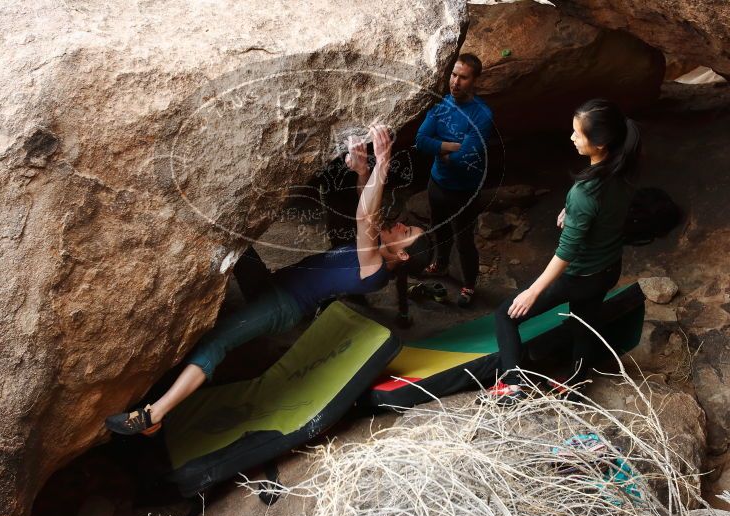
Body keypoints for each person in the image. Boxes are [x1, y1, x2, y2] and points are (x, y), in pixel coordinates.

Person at [106, 125, 432, 435]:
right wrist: (363, 171)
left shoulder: (374, 271)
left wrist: (384, 162)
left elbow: (366, 217)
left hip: (282, 306)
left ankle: (154, 416)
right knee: (233, 241)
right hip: (275, 284)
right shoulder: (374, 249)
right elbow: (366, 206)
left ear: (402, 256)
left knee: (217, 342)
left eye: (406, 233)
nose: (400, 224)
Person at [484, 99, 640, 406]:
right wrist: (572, 212)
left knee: (506, 315)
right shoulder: (622, 170)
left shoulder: (584, 192)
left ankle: (513, 386)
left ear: (600, 142)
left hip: (580, 274)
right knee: (584, 320)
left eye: (577, 134)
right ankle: (579, 381)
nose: (571, 138)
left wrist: (532, 292)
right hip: (608, 268)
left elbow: (566, 252)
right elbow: (604, 211)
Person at [415, 52, 493, 307]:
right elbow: (420, 141)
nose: (455, 82)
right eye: (453, 75)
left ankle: (469, 283)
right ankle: (440, 264)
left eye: (463, 77)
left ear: (475, 81)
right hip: (437, 183)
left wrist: (440, 148)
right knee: (439, 229)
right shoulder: (440, 105)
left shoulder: (482, 115)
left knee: (464, 240)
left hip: (465, 190)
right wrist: (451, 146)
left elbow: (464, 158)